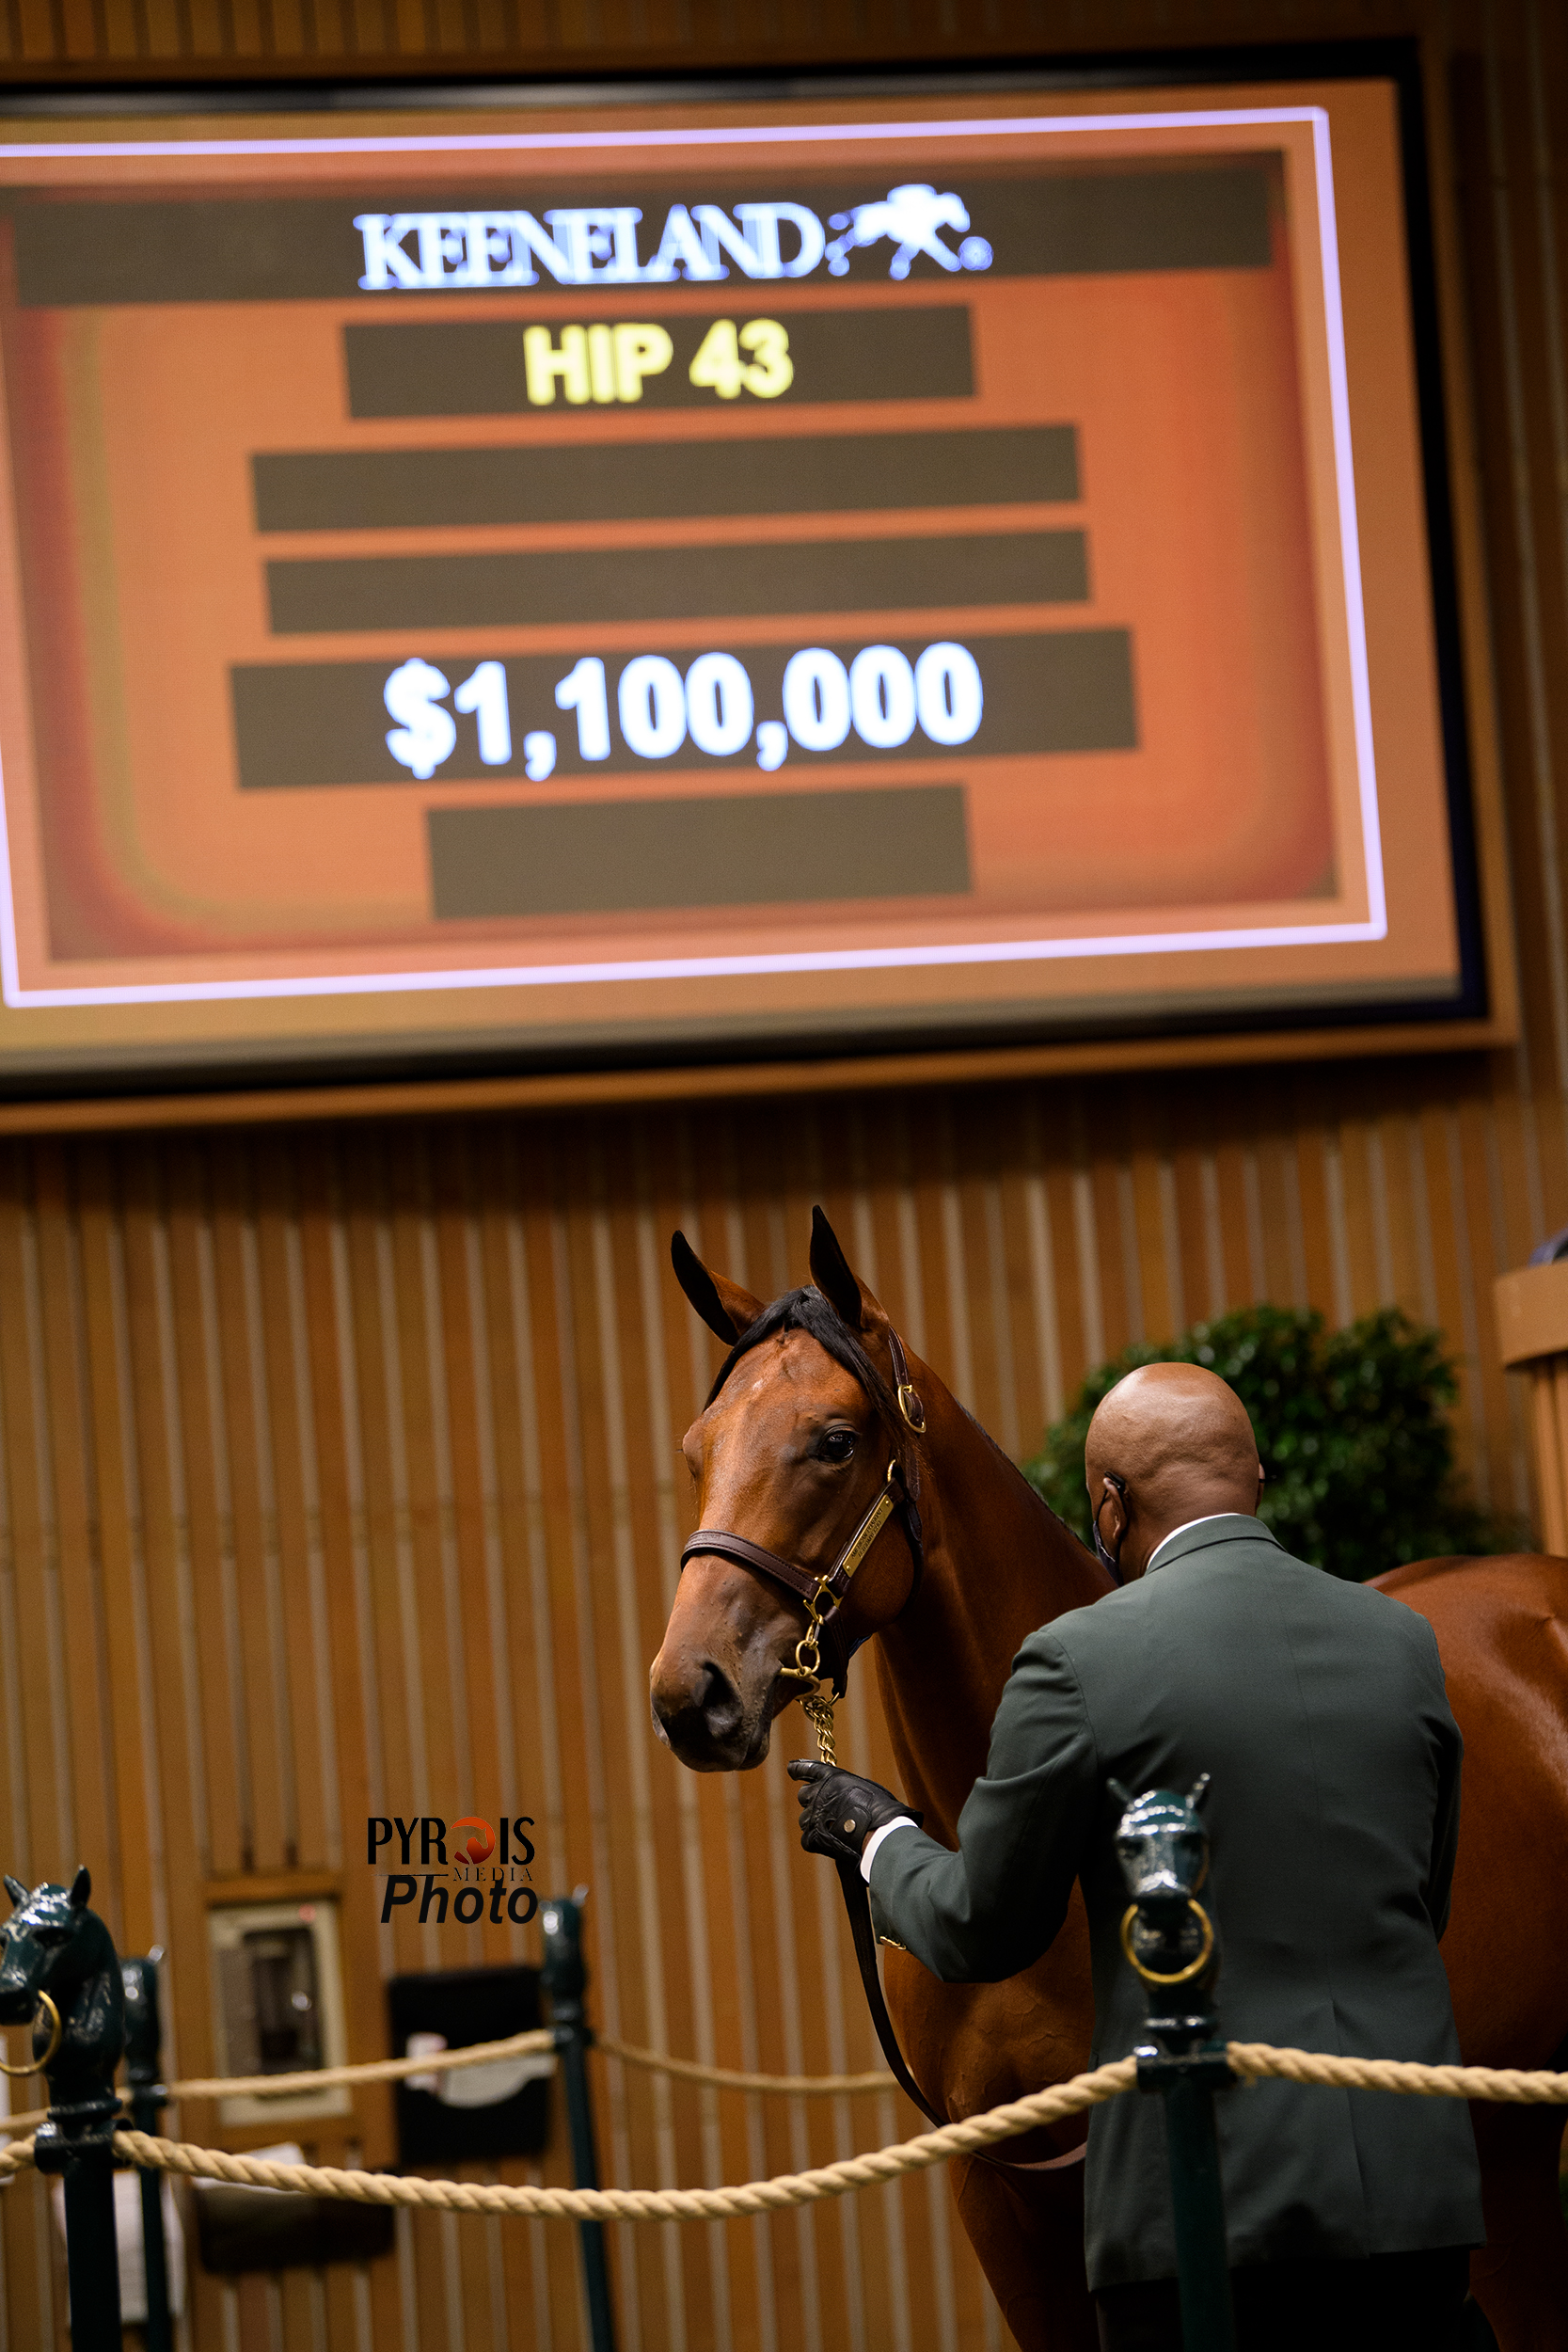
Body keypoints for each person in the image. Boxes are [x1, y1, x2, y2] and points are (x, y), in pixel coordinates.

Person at [791, 1361, 1482, 2352]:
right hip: (1416, 2202)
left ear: (1108, 1507)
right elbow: (1427, 1893)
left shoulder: (1076, 1660)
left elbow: (979, 1921)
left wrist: (875, 1837)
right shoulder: (1401, 1641)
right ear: (1254, 1478)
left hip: (1200, 2219)